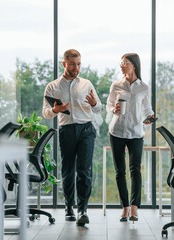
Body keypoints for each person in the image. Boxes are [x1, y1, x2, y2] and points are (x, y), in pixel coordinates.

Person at [42, 49, 102, 226]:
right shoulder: (52, 87)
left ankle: (82, 209)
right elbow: (45, 113)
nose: (76, 68)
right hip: (67, 129)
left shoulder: (86, 84)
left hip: (86, 130)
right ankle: (69, 207)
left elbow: (98, 108)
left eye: (78, 64)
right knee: (68, 170)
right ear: (64, 64)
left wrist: (94, 104)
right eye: (72, 64)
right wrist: (55, 110)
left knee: (84, 170)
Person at [106, 53, 155, 222]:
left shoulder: (144, 88)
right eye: (121, 63)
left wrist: (150, 118)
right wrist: (114, 110)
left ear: (134, 65)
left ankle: (134, 208)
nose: (122, 65)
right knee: (120, 172)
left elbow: (148, 110)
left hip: (135, 133)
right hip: (117, 131)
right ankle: (125, 207)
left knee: (135, 170)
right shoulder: (116, 85)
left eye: (125, 63)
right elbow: (109, 105)